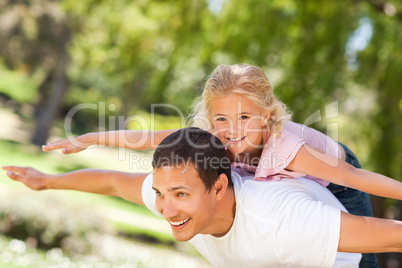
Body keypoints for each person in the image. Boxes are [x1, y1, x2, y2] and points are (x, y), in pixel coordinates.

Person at [42, 64, 402, 267]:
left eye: (245, 117)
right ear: (210, 119)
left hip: (337, 180)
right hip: (283, 186)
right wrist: (88, 138)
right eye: (222, 120)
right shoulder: (214, 138)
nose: (233, 131)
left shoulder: (288, 148)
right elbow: (149, 136)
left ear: (267, 115)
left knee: (360, 253)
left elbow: (353, 176)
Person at [5, 128, 402, 267]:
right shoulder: (180, 187)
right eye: (161, 194)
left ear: (219, 187)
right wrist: (46, 181)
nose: (166, 209)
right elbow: (111, 182)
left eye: (179, 194)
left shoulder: (282, 221)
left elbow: (393, 234)